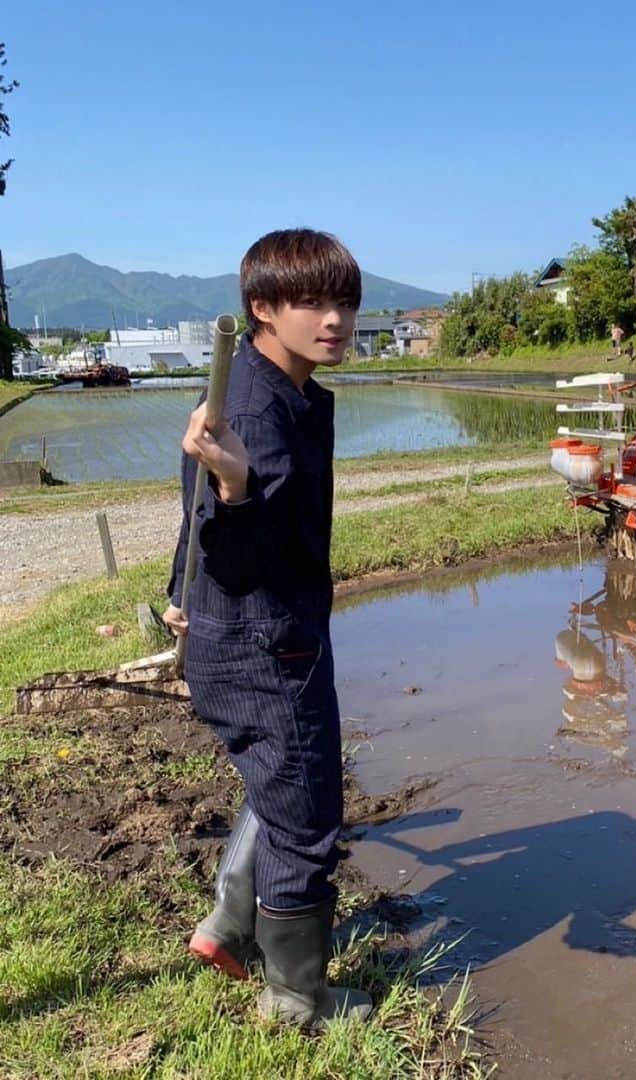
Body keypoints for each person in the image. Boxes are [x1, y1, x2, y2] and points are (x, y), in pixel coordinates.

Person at [162, 228, 370, 1031]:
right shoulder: (253, 408)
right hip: (262, 643)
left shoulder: (270, 386)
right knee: (307, 817)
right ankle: (296, 1001)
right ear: (261, 308)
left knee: (283, 783)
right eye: (312, 301)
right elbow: (236, 551)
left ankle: (230, 927)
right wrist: (241, 486)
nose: (335, 319)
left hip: (259, 633)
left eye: (345, 301)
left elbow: (193, 522)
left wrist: (173, 591)